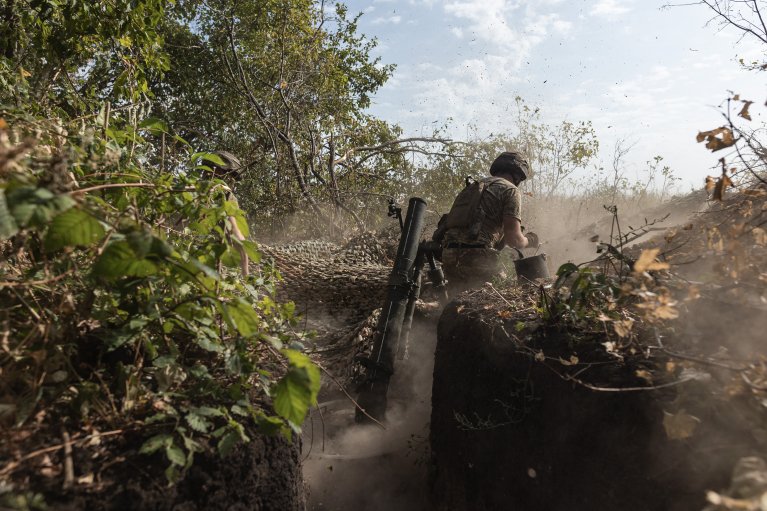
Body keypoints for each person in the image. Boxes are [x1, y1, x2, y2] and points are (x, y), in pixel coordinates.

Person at [435, 151, 538, 293]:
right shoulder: (510, 190)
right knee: (507, 291)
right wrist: (531, 240)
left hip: (449, 256)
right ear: (518, 175)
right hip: (478, 259)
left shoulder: (474, 186)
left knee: (456, 298)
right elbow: (514, 240)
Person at [205, 151, 250, 277]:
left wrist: (245, 272)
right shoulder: (224, 196)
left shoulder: (227, 198)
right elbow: (238, 238)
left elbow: (238, 237)